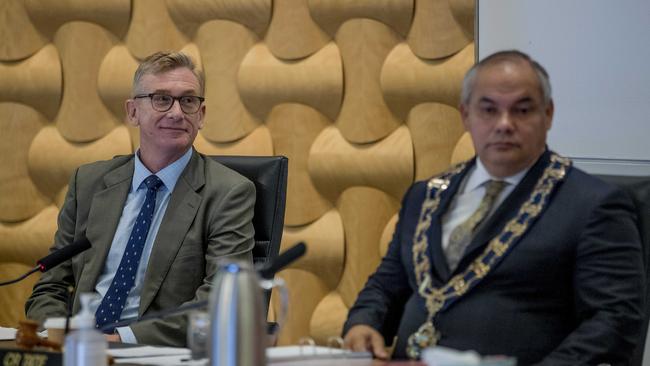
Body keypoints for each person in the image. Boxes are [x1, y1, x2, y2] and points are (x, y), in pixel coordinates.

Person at [342, 50, 645, 365]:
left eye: (522, 110)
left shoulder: (592, 205)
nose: (504, 124)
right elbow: (387, 284)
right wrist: (365, 322)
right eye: (488, 110)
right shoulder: (424, 196)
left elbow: (615, 320)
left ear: (548, 114)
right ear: (465, 116)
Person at [25, 51, 256, 346]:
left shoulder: (228, 193)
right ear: (133, 111)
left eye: (188, 100)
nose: (176, 112)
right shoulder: (89, 183)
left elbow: (221, 303)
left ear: (201, 115)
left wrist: (121, 338)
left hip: (151, 351)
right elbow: (51, 285)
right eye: (161, 99)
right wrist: (57, 335)